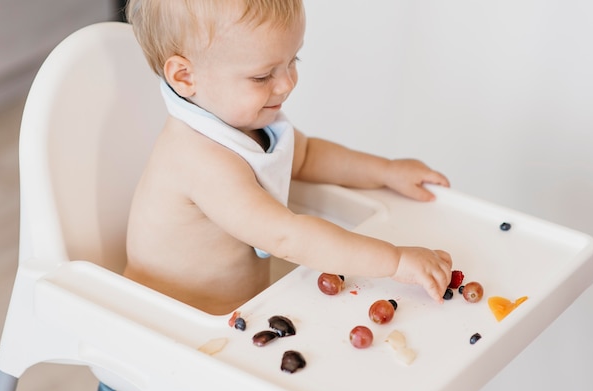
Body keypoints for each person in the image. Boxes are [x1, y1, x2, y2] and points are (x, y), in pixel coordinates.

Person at [123, 0, 453, 315]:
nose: (286, 84)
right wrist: (393, 261)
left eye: (294, 60)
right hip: (165, 334)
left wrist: (386, 171)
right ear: (184, 77)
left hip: (234, 317)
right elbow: (286, 237)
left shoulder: (242, 121)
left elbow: (306, 155)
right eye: (262, 76)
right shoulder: (199, 158)